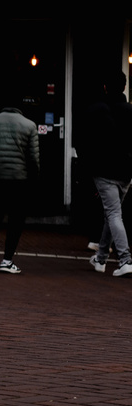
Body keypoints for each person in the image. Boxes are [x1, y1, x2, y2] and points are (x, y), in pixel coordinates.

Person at [79, 71, 132, 277]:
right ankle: (100, 258)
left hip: (103, 171)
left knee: (112, 214)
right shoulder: (129, 111)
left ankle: (125, 259)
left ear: (104, 87)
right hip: (125, 171)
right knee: (113, 213)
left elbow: (85, 142)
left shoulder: (96, 110)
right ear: (125, 88)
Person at [0, 104, 39, 274]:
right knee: (16, 220)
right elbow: (33, 159)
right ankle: (8, 260)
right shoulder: (29, 125)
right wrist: (34, 180)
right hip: (19, 180)